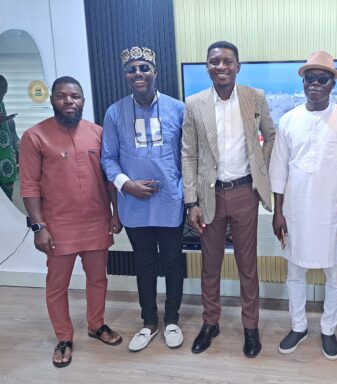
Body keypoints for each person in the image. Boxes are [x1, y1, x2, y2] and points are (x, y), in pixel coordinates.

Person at [269, 51, 337, 360]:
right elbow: (279, 171)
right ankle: (298, 326)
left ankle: (328, 329)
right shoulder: (288, 120)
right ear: (303, 82)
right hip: (296, 213)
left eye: (321, 78)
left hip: (332, 213)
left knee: (335, 277)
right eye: (309, 78)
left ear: (331, 83)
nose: (314, 84)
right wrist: (277, 212)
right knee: (295, 274)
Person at [19, 76, 123, 368]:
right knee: (57, 285)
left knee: (98, 278)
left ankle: (96, 324)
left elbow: (109, 178)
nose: (69, 101)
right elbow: (29, 187)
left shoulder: (98, 133)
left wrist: (116, 213)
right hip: (58, 227)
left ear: (83, 100)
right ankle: (64, 337)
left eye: (75, 96)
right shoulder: (34, 136)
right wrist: (39, 228)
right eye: (62, 96)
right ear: (52, 99)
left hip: (96, 220)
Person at [182, 41, 275, 358]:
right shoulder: (194, 103)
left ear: (238, 66)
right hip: (210, 196)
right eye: (214, 61)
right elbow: (189, 153)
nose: (220, 66)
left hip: (245, 192)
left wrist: (260, 165)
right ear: (207, 67)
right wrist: (190, 202)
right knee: (210, 266)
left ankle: (251, 327)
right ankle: (211, 323)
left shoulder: (255, 97)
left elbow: (271, 134)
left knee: (248, 266)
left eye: (227, 61)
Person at [101, 46, 186, 352]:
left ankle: (173, 319)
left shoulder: (178, 109)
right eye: (132, 69)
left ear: (155, 72)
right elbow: (108, 159)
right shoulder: (114, 112)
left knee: (175, 263)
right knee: (145, 264)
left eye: (144, 68)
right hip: (134, 206)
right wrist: (126, 185)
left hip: (170, 203)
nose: (138, 73)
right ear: (126, 75)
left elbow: (187, 157)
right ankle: (149, 322)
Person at [0, 75, 18, 200]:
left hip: (7, 163)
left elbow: (12, 134)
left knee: (8, 200)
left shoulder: (2, 105)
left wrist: (18, 141)